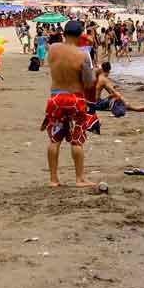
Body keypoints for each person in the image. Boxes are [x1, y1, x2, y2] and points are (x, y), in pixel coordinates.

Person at [41, 21, 97, 188]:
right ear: (81, 35)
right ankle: (79, 179)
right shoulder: (82, 56)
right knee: (76, 140)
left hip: (56, 97)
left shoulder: (53, 49)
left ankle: (53, 179)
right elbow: (88, 83)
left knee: (54, 139)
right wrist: (95, 71)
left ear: (64, 33)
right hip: (75, 99)